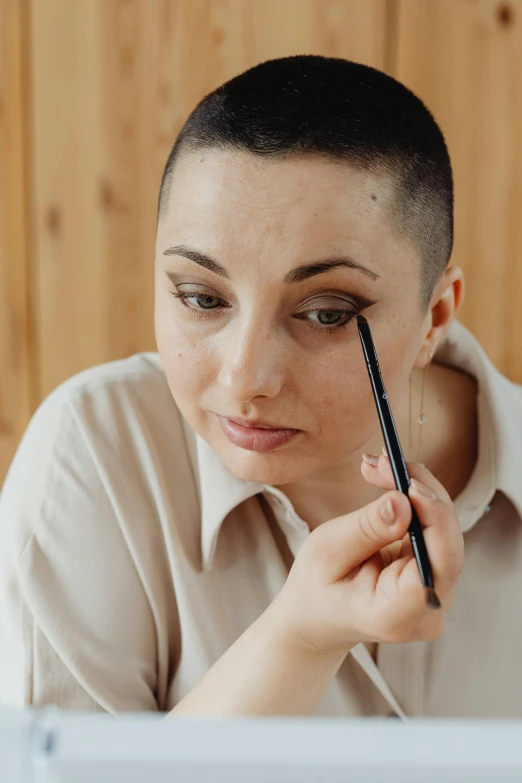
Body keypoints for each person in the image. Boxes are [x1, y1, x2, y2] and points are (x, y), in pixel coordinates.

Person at [1, 54, 521, 719]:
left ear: (435, 318)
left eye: (327, 312)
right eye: (201, 297)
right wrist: (299, 637)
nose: (245, 377)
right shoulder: (96, 454)